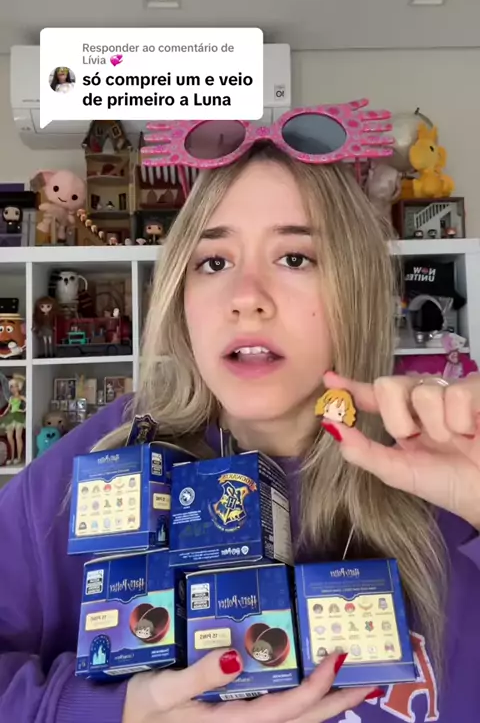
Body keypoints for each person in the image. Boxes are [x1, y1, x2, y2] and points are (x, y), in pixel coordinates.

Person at [1, 113, 480, 723]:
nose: (246, 296)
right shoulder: (95, 467)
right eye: (214, 262)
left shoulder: (445, 468)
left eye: (295, 257)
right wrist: (102, 711)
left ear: (357, 288)